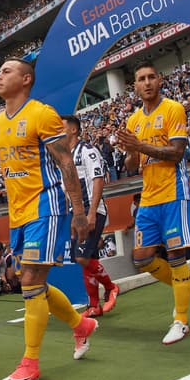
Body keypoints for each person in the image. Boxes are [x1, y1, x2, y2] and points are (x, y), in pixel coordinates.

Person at [0, 57, 95, 380]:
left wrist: (80, 212)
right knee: (28, 279)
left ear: (26, 79)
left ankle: (30, 363)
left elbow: (66, 163)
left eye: (6, 71)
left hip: (47, 205)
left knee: (28, 277)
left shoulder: (42, 114)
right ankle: (80, 325)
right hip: (19, 212)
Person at [117, 61, 190, 345]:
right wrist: (129, 150)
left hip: (174, 193)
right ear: (135, 86)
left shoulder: (173, 109)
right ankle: (184, 284)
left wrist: (139, 146)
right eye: (141, 78)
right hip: (149, 197)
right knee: (142, 258)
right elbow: (130, 166)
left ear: (159, 80)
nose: (147, 82)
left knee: (176, 256)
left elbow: (176, 153)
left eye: (151, 77)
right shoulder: (133, 120)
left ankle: (182, 320)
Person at [62, 115, 118, 316]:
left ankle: (111, 287)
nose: (58, 132)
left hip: (91, 211)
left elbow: (97, 179)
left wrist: (92, 213)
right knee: (88, 257)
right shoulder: (64, 157)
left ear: (74, 130)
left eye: (62, 128)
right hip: (76, 215)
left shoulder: (87, 150)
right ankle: (94, 305)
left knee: (81, 257)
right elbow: (67, 190)